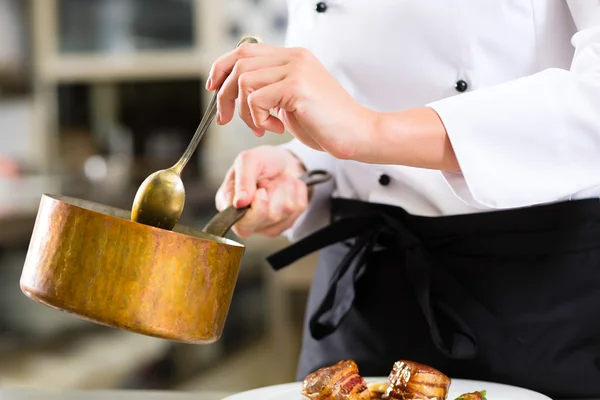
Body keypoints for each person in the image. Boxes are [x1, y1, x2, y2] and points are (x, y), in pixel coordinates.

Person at [208, 1, 600, 398]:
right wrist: (302, 168)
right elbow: (347, 101)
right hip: (361, 297)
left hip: (530, 297)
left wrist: (371, 131)